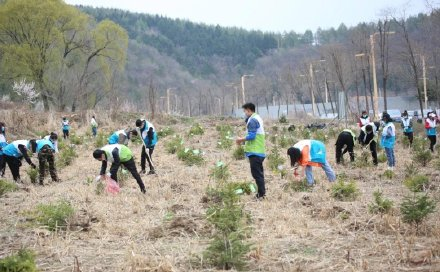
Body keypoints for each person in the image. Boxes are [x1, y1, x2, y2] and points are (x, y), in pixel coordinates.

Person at [235, 103, 266, 199]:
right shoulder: (257, 118)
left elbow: (252, 136)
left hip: (255, 152)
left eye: (245, 111)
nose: (244, 113)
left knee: (257, 174)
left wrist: (241, 140)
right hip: (259, 150)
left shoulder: (253, 120)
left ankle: (261, 195)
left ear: (249, 110)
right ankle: (261, 193)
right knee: (258, 174)